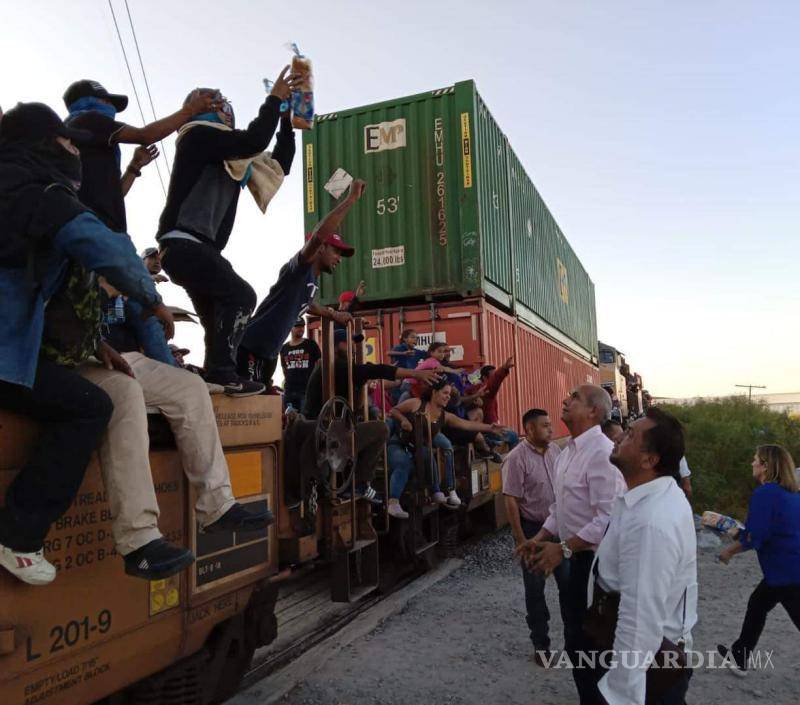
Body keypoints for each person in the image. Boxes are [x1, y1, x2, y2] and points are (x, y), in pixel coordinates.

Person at [0, 102, 172, 585]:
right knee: (89, 407)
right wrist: (152, 299)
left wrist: (96, 344)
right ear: (43, 144)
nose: (75, 151)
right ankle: (19, 535)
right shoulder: (43, 194)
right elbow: (107, 249)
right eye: (67, 141)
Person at [39, 254, 274, 582]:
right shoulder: (71, 252)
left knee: (190, 387)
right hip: (71, 355)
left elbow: (145, 327)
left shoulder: (114, 270)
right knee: (126, 393)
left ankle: (217, 506)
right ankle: (139, 538)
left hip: (113, 351)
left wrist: (165, 360)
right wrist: (149, 298)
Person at [157, 67, 302, 396]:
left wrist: (285, 122)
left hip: (197, 249)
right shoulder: (197, 136)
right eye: (218, 101)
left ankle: (215, 379)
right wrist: (273, 99)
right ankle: (223, 372)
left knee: (216, 319)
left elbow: (279, 165)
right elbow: (253, 139)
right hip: (183, 243)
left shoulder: (233, 156)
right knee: (241, 296)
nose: (225, 106)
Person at [62, 79, 217, 368]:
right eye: (108, 102)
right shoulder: (88, 120)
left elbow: (111, 196)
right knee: (146, 305)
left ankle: (160, 367)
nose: (112, 110)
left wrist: (134, 168)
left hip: (89, 234)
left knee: (130, 306)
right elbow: (146, 134)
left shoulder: (80, 140)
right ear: (95, 102)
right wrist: (189, 110)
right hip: (103, 237)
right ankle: (170, 374)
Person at [517, 385, 625, 705]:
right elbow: (559, 509)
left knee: (594, 644)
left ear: (593, 411)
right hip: (576, 560)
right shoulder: (566, 453)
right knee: (576, 639)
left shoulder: (602, 453)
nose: (565, 400)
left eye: (575, 398)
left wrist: (563, 548)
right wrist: (538, 538)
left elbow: (607, 519)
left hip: (596, 566)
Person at [591, 408, 698, 705]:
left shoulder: (651, 522)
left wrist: (619, 694)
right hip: (643, 655)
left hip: (650, 667)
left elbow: (640, 618)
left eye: (629, 435)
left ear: (650, 460)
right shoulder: (651, 497)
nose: (618, 437)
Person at [237, 180, 366, 388]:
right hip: (249, 349)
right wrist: (351, 199)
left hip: (267, 354)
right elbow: (319, 235)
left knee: (263, 403)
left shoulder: (311, 280)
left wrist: (334, 314)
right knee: (246, 404)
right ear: (320, 248)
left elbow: (309, 305)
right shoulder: (299, 269)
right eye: (337, 251)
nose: (339, 259)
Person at [290, 329, 440, 506]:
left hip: (328, 431)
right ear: (336, 346)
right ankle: (360, 483)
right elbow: (376, 370)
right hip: (325, 435)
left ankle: (350, 481)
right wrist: (415, 374)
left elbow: (360, 392)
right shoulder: (336, 366)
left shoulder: (329, 367)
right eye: (348, 343)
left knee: (370, 420)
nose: (354, 348)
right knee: (381, 429)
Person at [717, 444, 800, 676]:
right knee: (758, 604)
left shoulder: (765, 494)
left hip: (786, 572)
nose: (752, 463)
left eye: (756, 459)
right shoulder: (791, 493)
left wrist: (729, 550)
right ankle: (739, 657)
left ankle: (740, 657)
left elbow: (756, 536)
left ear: (765, 465)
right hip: (787, 568)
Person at [502, 409, 568, 666]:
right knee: (535, 591)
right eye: (544, 426)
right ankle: (541, 646)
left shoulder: (555, 452)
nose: (551, 429)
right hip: (533, 531)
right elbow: (511, 500)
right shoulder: (516, 458)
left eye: (550, 425)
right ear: (529, 429)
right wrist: (521, 540)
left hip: (558, 529)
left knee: (568, 586)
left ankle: (574, 642)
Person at [387, 380, 508, 519]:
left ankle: (438, 492)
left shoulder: (444, 416)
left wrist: (490, 428)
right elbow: (394, 410)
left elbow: (466, 425)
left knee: (428, 455)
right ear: (434, 392)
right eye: (445, 393)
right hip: (399, 443)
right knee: (403, 464)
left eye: (449, 394)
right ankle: (393, 503)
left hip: (418, 447)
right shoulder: (417, 403)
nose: (448, 397)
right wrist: (404, 420)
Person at [466, 357, 519, 449]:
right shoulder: (486, 390)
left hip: (480, 430)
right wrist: (503, 369)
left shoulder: (472, 389)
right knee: (513, 436)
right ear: (484, 377)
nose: (494, 377)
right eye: (492, 375)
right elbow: (494, 382)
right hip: (488, 430)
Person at [280, 319, 321, 411]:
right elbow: (284, 368)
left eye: (302, 326)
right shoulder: (284, 348)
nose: (301, 329)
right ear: (290, 327)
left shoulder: (311, 344)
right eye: (298, 326)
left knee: (305, 418)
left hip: (306, 391)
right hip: (289, 391)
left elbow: (319, 364)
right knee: (289, 418)